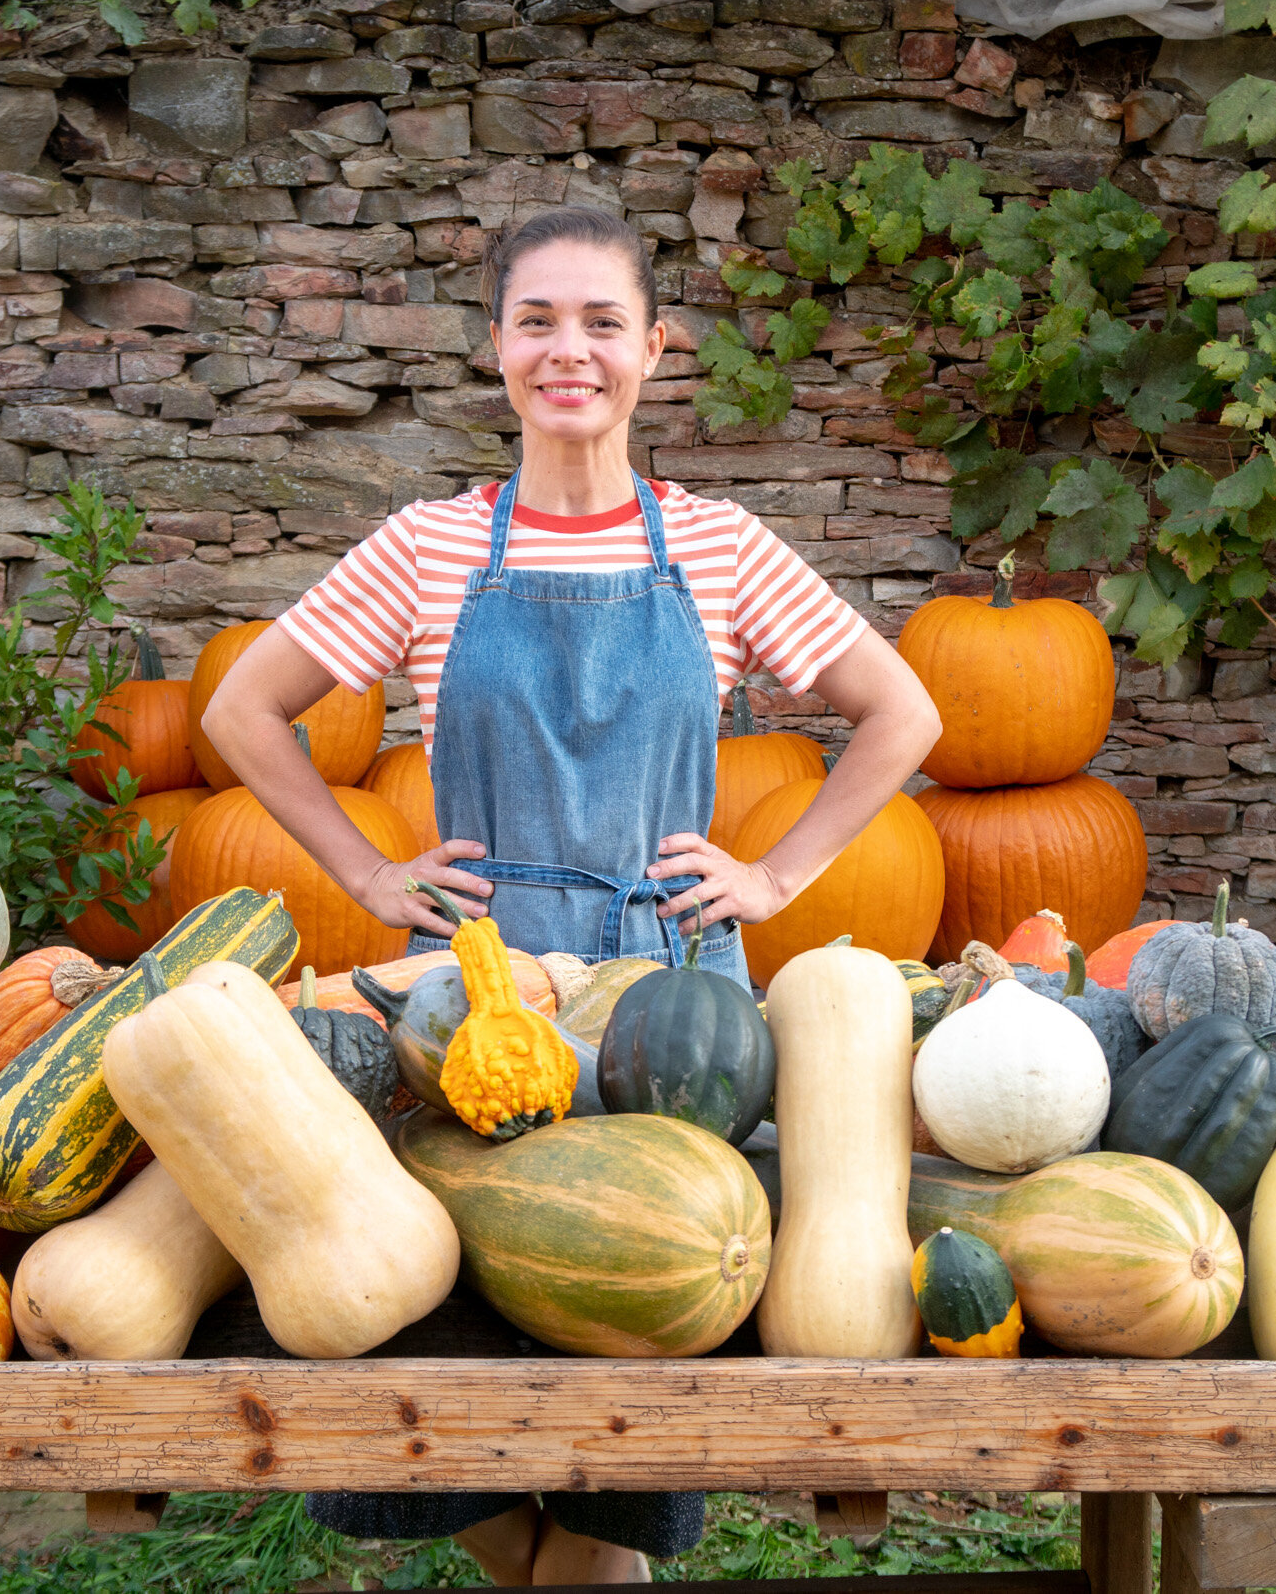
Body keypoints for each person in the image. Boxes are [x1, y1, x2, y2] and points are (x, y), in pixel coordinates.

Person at [199, 206, 942, 1585]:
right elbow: (243, 709)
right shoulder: (429, 547)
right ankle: (534, 1545)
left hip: (674, 1002)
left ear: (655, 349)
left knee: (644, 1304)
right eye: (536, 320)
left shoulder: (719, 547)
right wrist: (367, 869)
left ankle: (598, 1554)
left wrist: (774, 875)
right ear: (495, 347)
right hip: (477, 999)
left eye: (603, 322)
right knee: (447, 1320)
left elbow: (904, 713)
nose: (569, 351)